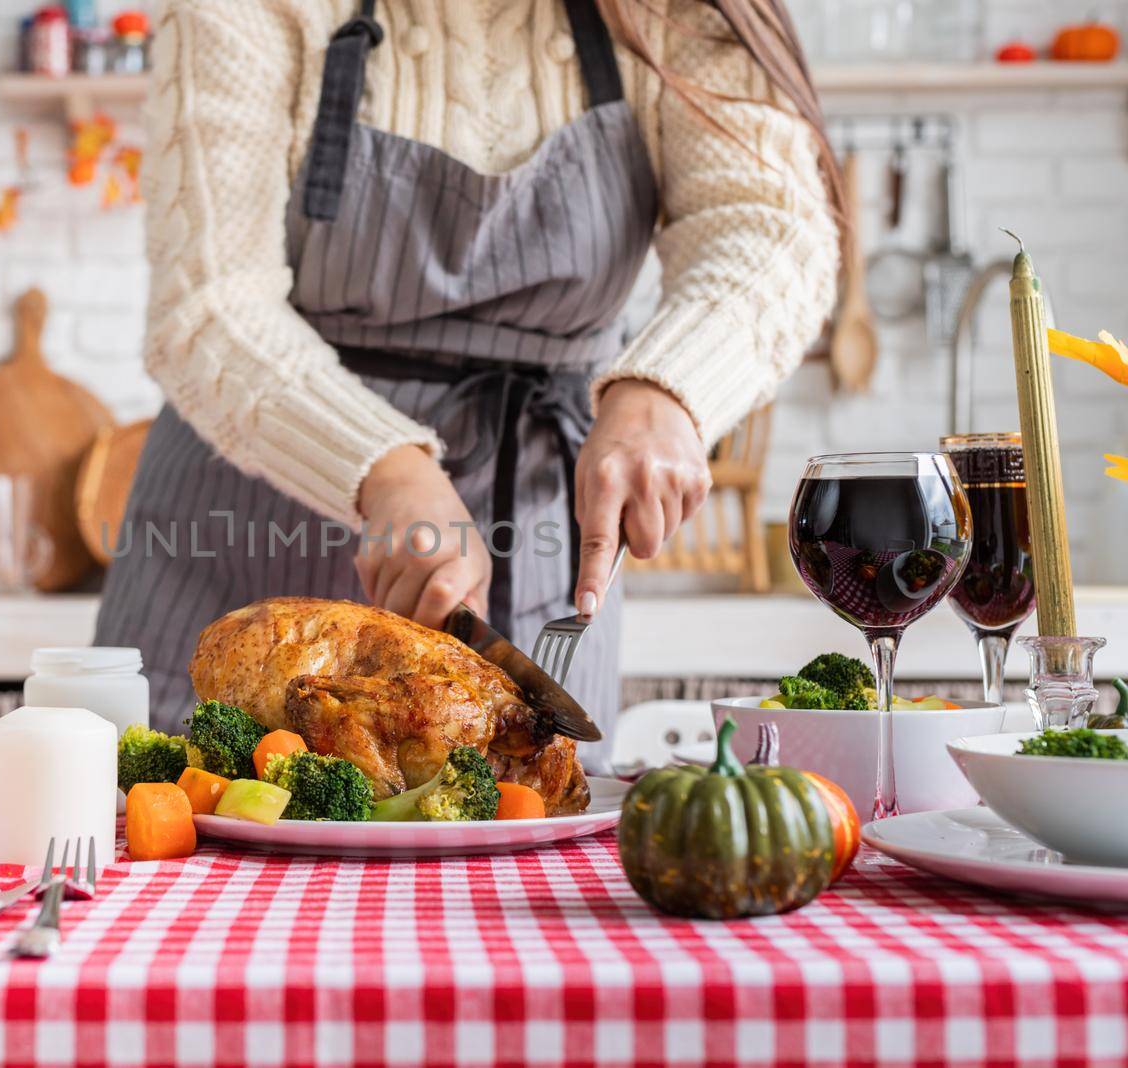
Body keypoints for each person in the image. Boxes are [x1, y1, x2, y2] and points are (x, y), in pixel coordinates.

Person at [96, 0, 840, 757]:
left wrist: (665, 391)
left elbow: (771, 228)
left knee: (529, 840)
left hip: (540, 535)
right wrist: (383, 471)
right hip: (252, 525)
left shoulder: (671, 12)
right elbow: (208, 304)